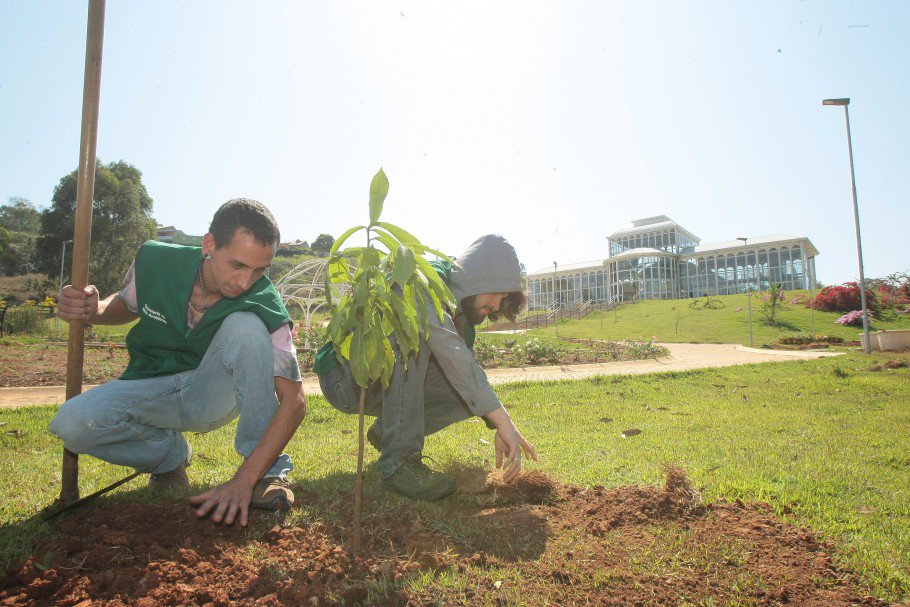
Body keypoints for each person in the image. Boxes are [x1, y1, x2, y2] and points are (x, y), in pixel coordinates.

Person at [49, 199, 307, 527]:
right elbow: (127, 304)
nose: (246, 282)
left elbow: (295, 401)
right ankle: (169, 458)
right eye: (238, 265)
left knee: (245, 325)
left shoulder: (266, 303)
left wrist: (244, 479)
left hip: (212, 393)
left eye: (259, 270)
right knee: (73, 423)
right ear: (209, 244)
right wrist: (92, 309)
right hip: (152, 386)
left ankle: (267, 475)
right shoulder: (158, 261)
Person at [315, 234, 538, 501]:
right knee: (413, 340)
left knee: (466, 392)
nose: (496, 306)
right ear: (479, 277)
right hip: (345, 378)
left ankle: (388, 432)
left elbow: (468, 375)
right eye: (497, 293)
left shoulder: (462, 315)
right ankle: (399, 464)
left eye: (504, 300)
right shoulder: (419, 280)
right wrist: (505, 423)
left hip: (377, 383)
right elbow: (452, 354)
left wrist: (498, 425)